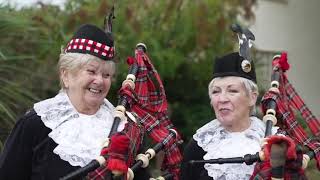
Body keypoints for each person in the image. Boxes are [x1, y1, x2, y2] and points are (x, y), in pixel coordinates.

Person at [0, 24, 129, 180]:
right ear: (66, 75)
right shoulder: (35, 124)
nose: (99, 81)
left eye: (106, 75)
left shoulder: (123, 127)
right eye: (91, 71)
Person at [180, 52, 277, 180]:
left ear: (252, 98)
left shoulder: (276, 141)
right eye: (216, 92)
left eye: (232, 91)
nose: (222, 99)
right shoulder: (199, 145)